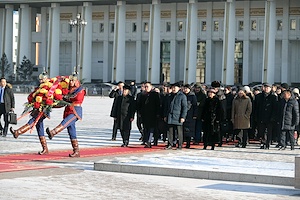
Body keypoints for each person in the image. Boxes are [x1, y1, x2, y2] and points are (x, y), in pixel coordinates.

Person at [46, 73, 86, 157]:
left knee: (65, 122)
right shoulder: (69, 90)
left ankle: (53, 132)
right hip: (68, 110)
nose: (71, 82)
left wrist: (66, 97)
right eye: (70, 80)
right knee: (71, 131)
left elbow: (77, 98)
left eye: (72, 80)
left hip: (75, 111)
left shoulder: (80, 89)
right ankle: (76, 151)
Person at [10, 73, 50, 154]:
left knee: (32, 122)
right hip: (37, 109)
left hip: (43, 110)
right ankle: (45, 148)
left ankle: (18, 132)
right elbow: (32, 96)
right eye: (40, 79)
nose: (40, 80)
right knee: (39, 128)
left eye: (42, 79)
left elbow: (49, 98)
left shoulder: (48, 88)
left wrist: (41, 104)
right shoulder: (39, 88)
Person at [253, 83, 277, 149]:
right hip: (261, 116)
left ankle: (268, 143)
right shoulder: (259, 96)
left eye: (268, 87)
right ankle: (263, 142)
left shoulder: (273, 97)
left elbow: (275, 108)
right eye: (265, 87)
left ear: (270, 88)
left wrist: (273, 117)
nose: (266, 89)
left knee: (269, 131)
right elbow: (256, 107)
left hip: (270, 117)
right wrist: (256, 116)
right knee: (261, 131)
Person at [164, 82, 188, 150]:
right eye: (173, 87)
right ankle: (170, 144)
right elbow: (166, 106)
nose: (174, 89)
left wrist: (183, 117)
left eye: (175, 87)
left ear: (179, 88)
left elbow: (184, 107)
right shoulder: (169, 96)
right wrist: (165, 115)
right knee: (170, 131)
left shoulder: (182, 96)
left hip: (178, 116)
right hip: (170, 116)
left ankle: (180, 145)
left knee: (179, 131)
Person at [137, 82, 160, 148]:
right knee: (146, 128)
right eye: (145, 86)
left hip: (153, 115)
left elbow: (157, 105)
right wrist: (139, 113)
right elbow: (139, 105)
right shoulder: (142, 95)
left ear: (151, 87)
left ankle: (150, 141)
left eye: (147, 86)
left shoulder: (155, 94)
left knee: (152, 129)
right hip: (144, 115)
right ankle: (146, 140)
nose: (146, 88)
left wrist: (158, 113)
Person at [182, 84, 198, 148]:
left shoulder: (192, 96)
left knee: (189, 129)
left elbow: (195, 106)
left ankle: (188, 143)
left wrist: (195, 114)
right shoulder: (181, 95)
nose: (185, 90)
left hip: (190, 114)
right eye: (185, 88)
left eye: (187, 88)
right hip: (183, 114)